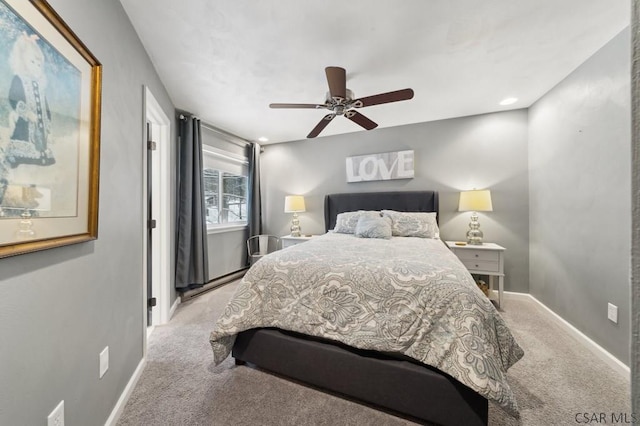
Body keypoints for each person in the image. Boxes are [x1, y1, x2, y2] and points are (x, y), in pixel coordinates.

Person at [5, 32, 54, 168]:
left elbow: (45, 105)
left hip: (40, 122)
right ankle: (19, 155)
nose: (36, 66)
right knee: (23, 136)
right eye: (32, 62)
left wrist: (47, 121)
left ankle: (41, 157)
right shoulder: (19, 79)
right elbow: (13, 98)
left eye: (39, 64)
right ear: (23, 61)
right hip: (25, 121)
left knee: (41, 141)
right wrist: (26, 113)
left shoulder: (40, 85)